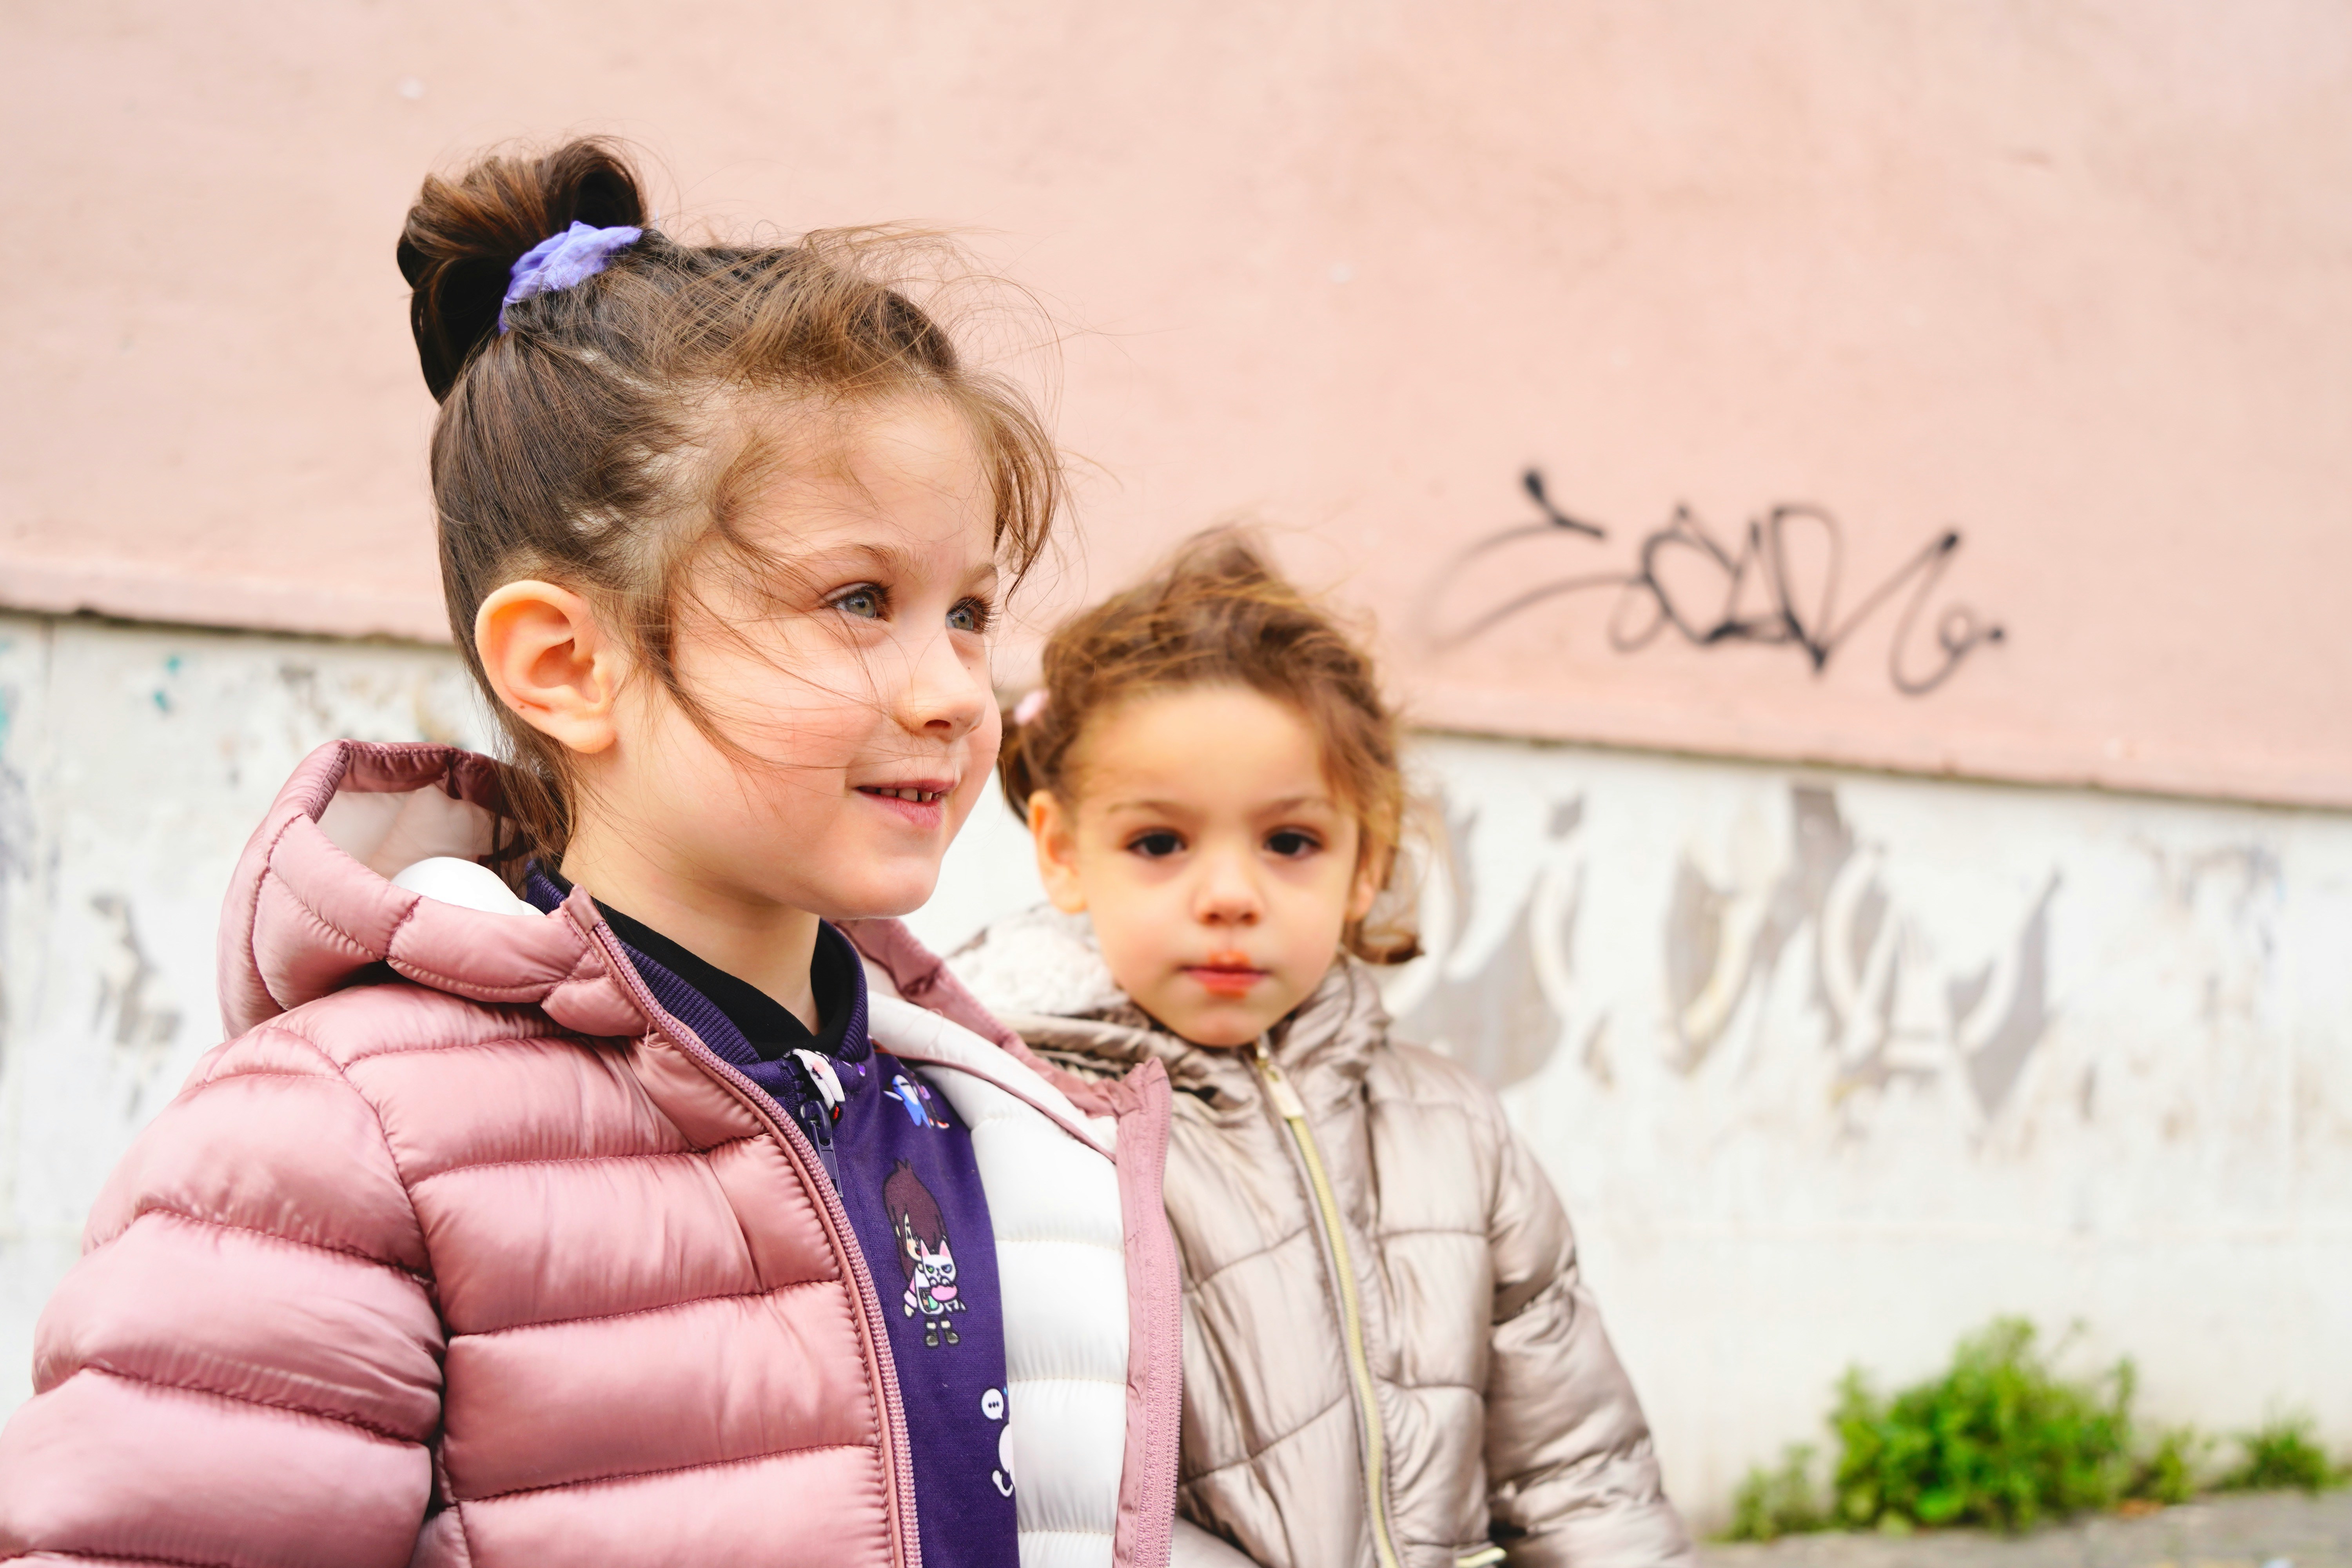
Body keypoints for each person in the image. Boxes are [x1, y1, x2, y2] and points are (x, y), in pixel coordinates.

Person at [0, 139, 1182, 1568]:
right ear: (567, 662)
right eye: (861, 599)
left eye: (972, 612)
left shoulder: (985, 1112)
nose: (949, 691)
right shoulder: (337, 1139)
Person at [950, 531, 1696, 1568]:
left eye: (1289, 843)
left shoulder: (1455, 1132)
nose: (1227, 896)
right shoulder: (1008, 1121)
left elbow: (1579, 1475)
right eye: (1159, 843)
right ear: (1064, 852)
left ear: (1363, 863)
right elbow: (1036, 1497)